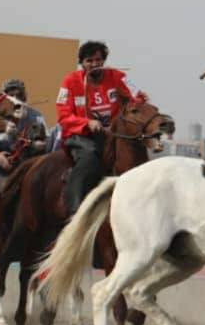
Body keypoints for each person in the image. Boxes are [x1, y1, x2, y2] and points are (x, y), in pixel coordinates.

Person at [55, 41, 143, 215]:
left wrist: (122, 118)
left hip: (113, 135)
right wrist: (87, 123)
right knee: (90, 157)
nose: (95, 64)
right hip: (81, 135)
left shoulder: (118, 76)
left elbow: (138, 98)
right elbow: (63, 116)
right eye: (89, 61)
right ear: (82, 64)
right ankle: (74, 209)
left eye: (98, 60)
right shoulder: (70, 81)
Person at [0, 78, 47, 176]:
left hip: (29, 167)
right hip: (0, 168)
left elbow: (44, 145)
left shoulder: (36, 116)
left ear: (25, 97)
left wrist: (38, 144)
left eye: (19, 95)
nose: (15, 99)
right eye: (11, 95)